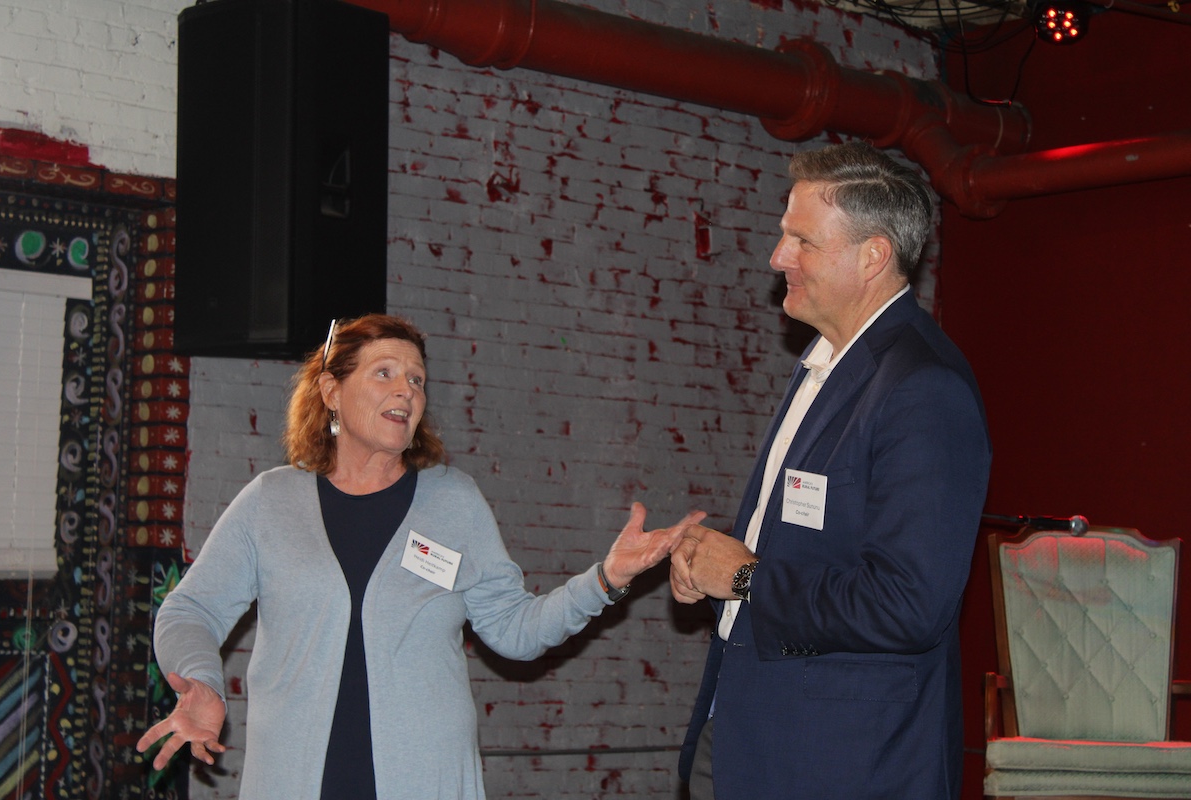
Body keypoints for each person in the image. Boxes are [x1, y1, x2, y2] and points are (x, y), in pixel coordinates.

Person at [136, 314, 705, 800]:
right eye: (384, 373)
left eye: (417, 380)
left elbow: (512, 629)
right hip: (292, 779)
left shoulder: (453, 502)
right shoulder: (271, 501)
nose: (406, 390)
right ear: (332, 392)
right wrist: (201, 683)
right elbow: (191, 612)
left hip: (424, 779)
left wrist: (606, 579)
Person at [669, 141, 992, 799]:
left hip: (842, 762)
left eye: (801, 241)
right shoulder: (826, 365)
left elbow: (909, 604)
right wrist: (711, 566)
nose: (777, 257)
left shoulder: (923, 387)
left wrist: (744, 576)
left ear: (871, 256)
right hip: (751, 735)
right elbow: (810, 544)